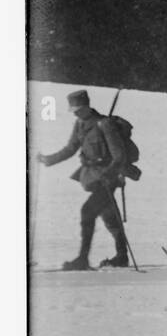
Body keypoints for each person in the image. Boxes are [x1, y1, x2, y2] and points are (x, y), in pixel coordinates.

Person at [37, 89, 136, 269]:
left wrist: (109, 174)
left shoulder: (104, 124)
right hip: (93, 176)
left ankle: (82, 259)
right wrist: (48, 159)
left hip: (108, 178)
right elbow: (70, 148)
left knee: (87, 212)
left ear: (86, 106)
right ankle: (122, 257)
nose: (74, 112)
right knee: (110, 217)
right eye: (73, 109)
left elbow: (119, 156)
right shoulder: (80, 124)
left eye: (77, 109)